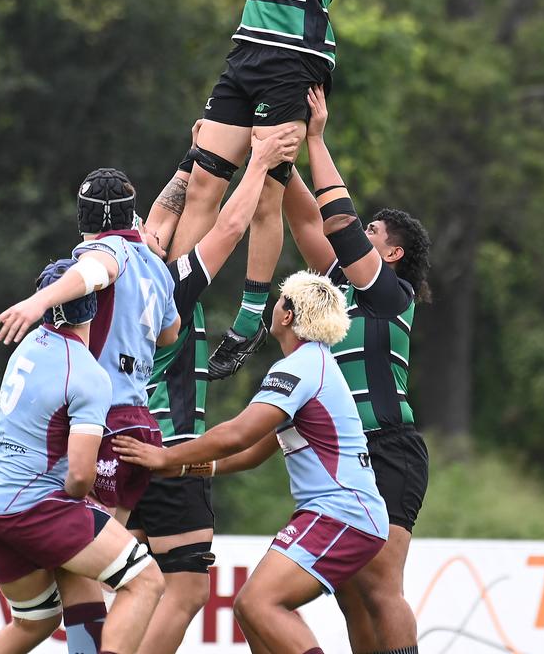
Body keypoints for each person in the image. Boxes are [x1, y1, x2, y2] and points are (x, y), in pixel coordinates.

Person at [167, 0, 356, 381]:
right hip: (248, 54)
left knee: (269, 193)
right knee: (203, 179)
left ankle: (250, 313)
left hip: (291, 61)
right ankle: (172, 299)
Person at [114, 270, 389, 654]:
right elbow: (253, 452)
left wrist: (165, 456)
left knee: (261, 603)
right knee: (249, 608)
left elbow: (236, 435)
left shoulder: (300, 367)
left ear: (288, 316)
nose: (274, 308)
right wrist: (180, 467)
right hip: (340, 513)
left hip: (341, 514)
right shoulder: (316, 364)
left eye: (279, 301)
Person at [0, 167, 181, 651]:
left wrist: (37, 304)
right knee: (138, 579)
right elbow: (168, 331)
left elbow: (95, 270)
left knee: (49, 609)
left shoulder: (29, 350)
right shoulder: (151, 264)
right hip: (122, 421)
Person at [126, 127, 300, 654]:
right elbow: (228, 225)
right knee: (185, 590)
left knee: (128, 584)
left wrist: (201, 149)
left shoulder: (115, 287)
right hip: (171, 450)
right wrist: (258, 159)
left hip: (118, 444)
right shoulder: (169, 288)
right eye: (149, 234)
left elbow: (169, 206)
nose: (159, 230)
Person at [283, 84, 431, 654]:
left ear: (390, 254)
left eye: (374, 234)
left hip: (391, 446)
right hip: (348, 451)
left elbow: (338, 221)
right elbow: (307, 221)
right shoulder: (341, 288)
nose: (360, 235)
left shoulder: (389, 292)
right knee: (347, 588)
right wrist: (276, 160)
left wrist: (316, 139)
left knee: (379, 584)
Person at [0, 259, 164, 654]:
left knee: (35, 622)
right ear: (94, 307)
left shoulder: (29, 343)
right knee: (146, 581)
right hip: (33, 507)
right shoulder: (88, 374)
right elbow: (78, 477)